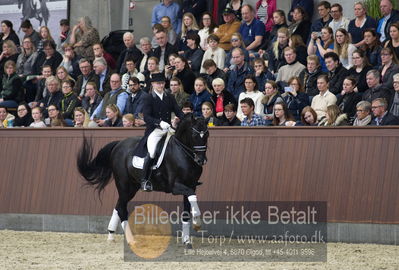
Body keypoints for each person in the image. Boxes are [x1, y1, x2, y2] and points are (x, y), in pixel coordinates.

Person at [141, 72, 184, 191]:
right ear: (153, 84)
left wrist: (186, 118)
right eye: (158, 83)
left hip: (168, 128)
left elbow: (178, 110)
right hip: (155, 130)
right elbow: (146, 117)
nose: (160, 85)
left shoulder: (169, 97)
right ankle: (145, 180)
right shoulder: (148, 98)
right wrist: (159, 122)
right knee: (152, 151)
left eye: (162, 83)